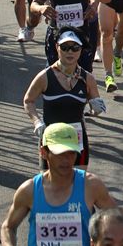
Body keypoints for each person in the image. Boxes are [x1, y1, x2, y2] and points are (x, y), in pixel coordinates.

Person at [23, 28, 106, 168]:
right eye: (65, 47)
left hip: (77, 138)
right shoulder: (45, 77)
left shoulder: (88, 79)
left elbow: (94, 110)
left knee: (78, 182)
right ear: (57, 47)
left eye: (75, 47)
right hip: (51, 137)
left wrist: (96, 109)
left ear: (80, 50)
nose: (70, 52)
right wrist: (37, 122)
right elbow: (28, 100)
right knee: (49, 185)